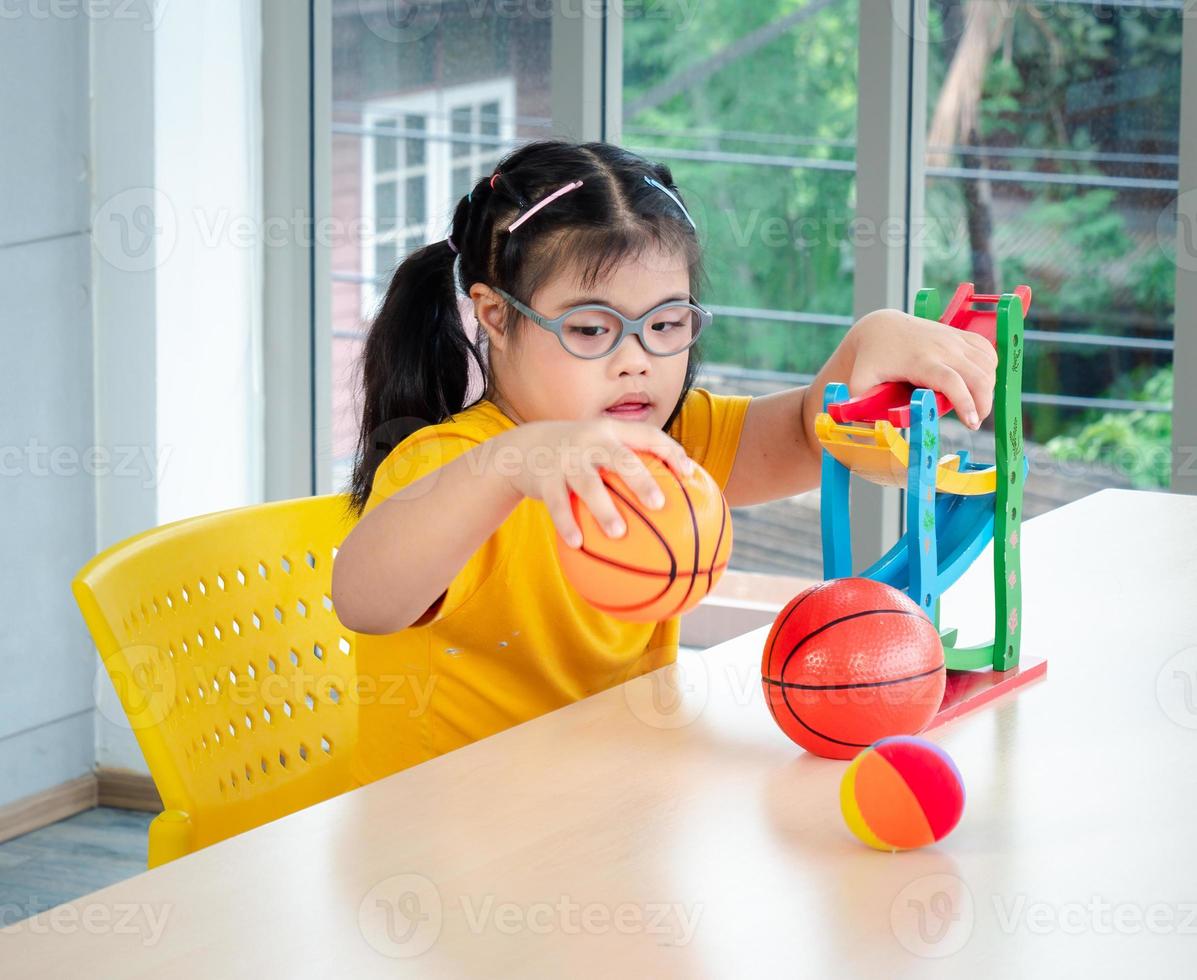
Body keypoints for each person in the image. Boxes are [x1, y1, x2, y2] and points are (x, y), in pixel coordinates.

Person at [332, 139, 996, 783]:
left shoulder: (670, 439)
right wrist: (516, 462)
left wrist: (869, 338)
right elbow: (366, 601)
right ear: (495, 318)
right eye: (592, 328)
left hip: (609, 813)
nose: (637, 360)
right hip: (444, 847)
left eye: (666, 324)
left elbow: (803, 435)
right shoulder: (459, 462)